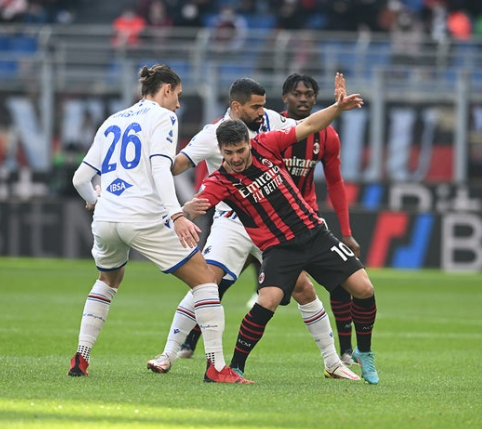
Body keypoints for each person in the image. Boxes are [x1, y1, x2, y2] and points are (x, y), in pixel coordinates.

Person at [146, 77, 358, 381]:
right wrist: (150, 179)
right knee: (206, 281)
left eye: (263, 105)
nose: (263, 111)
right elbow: (176, 166)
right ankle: (168, 353)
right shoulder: (211, 134)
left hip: (273, 226)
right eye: (255, 107)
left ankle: (333, 362)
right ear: (237, 106)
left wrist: (336, 108)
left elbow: (308, 125)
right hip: (231, 222)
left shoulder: (271, 122)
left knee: (304, 288)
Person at [68, 64, 250, 384]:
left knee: (108, 280)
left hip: (106, 218)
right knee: (206, 280)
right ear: (166, 89)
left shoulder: (113, 120)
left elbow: (80, 178)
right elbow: (160, 170)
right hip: (142, 217)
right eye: (177, 95)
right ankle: (216, 366)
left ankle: (81, 356)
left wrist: (94, 200)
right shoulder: (164, 117)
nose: (178, 104)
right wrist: (177, 215)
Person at [278, 73, 361, 366]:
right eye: (297, 94)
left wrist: (346, 233)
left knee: (340, 279)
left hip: (307, 220)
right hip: (270, 221)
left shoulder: (327, 135)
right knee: (221, 277)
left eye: (309, 94)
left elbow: (335, 183)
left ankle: (346, 350)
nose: (303, 99)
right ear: (285, 97)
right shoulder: (273, 128)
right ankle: (188, 343)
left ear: (315, 99)